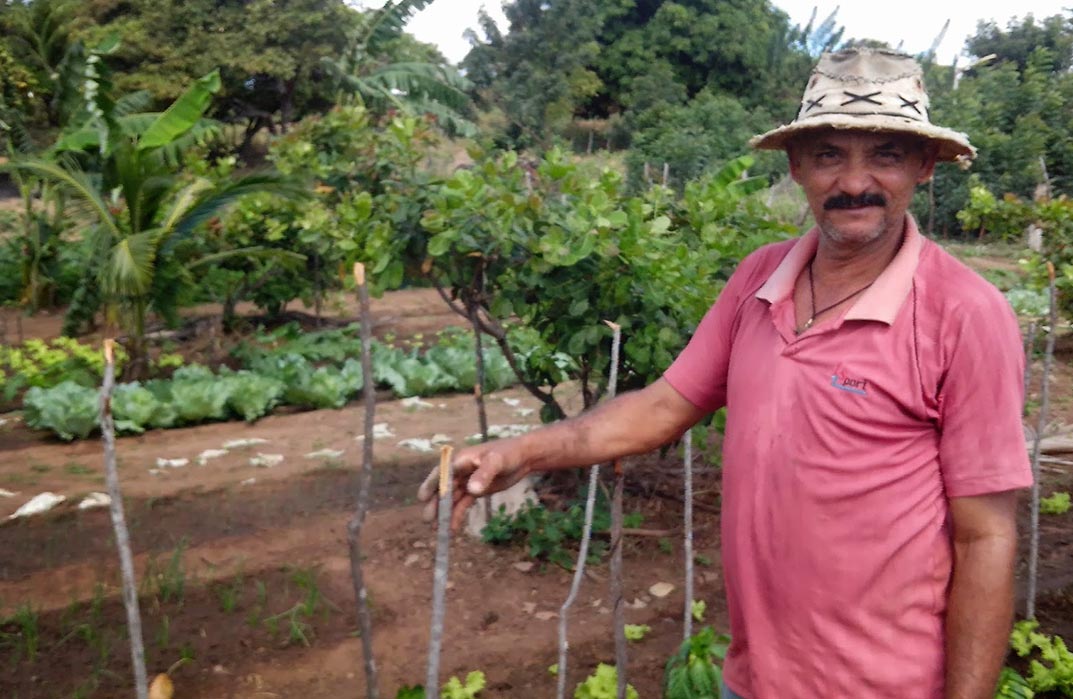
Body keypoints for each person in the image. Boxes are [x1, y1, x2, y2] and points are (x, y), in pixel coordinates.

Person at [418, 48, 1032, 699]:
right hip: (752, 677)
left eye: (884, 153)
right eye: (828, 154)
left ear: (923, 165)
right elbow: (662, 405)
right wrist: (523, 450)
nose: (854, 180)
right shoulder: (756, 280)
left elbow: (985, 533)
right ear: (795, 165)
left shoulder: (963, 312)